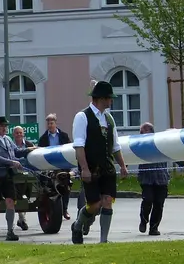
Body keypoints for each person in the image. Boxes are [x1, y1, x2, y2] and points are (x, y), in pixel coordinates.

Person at [71, 81, 129, 244]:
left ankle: (103, 240)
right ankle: (78, 225)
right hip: (91, 167)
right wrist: (84, 168)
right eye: (109, 98)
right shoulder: (82, 116)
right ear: (101, 98)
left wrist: (123, 165)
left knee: (108, 201)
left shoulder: (109, 118)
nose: (111, 101)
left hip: (107, 168)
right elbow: (79, 145)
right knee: (94, 205)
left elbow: (115, 145)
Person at [135, 123, 169, 235]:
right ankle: (143, 221)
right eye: (143, 132)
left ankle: (154, 227)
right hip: (146, 179)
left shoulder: (161, 143)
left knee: (159, 203)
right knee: (148, 200)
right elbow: (129, 155)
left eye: (148, 131)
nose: (145, 133)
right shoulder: (138, 145)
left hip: (161, 178)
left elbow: (173, 152)